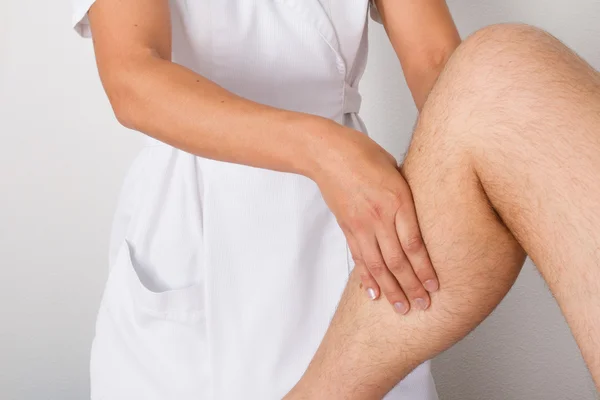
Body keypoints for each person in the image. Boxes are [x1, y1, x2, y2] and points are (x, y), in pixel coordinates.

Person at [72, 0, 462, 398]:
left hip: (347, 210)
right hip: (195, 209)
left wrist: (453, 197)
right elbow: (132, 75)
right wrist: (322, 152)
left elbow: (436, 59)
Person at [284, 23, 600, 399]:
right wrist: (319, 151)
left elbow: (435, 58)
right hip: (246, 171)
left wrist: (473, 150)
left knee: (499, 71)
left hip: (353, 190)